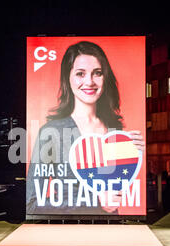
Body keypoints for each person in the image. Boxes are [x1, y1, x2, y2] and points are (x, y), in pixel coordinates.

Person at [26, 41, 145, 215]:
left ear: (106, 77)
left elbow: (119, 187)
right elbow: (32, 203)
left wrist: (136, 153)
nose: (89, 82)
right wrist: (95, 200)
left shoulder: (115, 130)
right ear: (68, 78)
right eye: (80, 74)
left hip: (110, 230)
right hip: (69, 232)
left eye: (97, 73)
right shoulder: (51, 133)